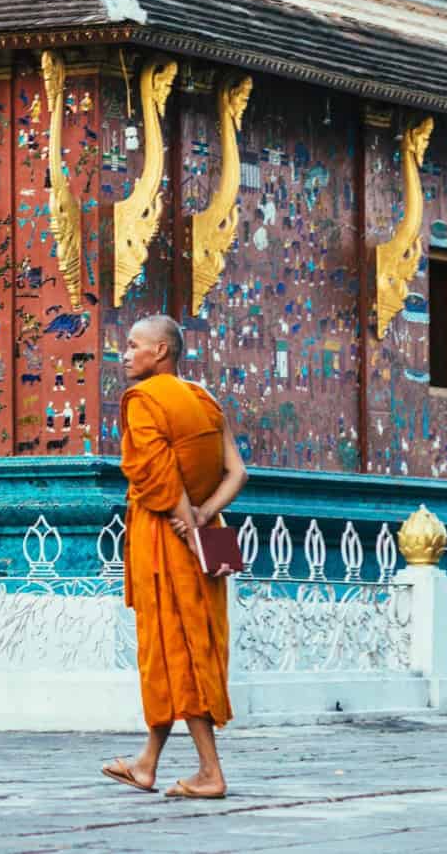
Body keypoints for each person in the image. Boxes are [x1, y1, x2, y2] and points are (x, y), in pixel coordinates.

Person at [101, 315, 248, 800]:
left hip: (167, 537)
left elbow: (161, 481)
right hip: (211, 532)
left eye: (133, 345)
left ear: (160, 351)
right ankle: (146, 763)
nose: (124, 354)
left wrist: (187, 529)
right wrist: (206, 516)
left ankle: (210, 772)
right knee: (183, 647)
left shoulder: (142, 400)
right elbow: (237, 473)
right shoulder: (204, 399)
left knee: (177, 650)